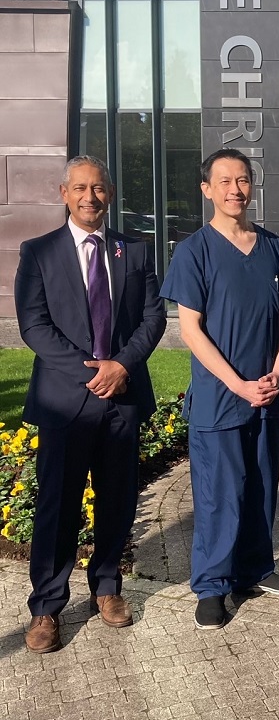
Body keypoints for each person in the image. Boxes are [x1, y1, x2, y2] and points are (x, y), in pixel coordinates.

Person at [15, 155, 166, 653]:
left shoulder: (135, 251)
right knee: (57, 507)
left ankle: (107, 587)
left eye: (98, 188)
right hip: (65, 402)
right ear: (64, 193)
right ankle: (46, 606)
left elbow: (152, 319)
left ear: (111, 192)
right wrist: (92, 370)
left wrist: (120, 366)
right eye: (79, 188)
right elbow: (34, 325)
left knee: (118, 500)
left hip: (121, 399)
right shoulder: (38, 252)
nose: (89, 197)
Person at [160, 148, 279, 630]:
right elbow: (191, 330)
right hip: (222, 398)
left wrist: (277, 372)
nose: (235, 190)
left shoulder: (273, 248)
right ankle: (213, 585)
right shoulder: (195, 250)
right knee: (220, 493)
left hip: (265, 394)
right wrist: (238, 384)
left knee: (261, 485)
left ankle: (255, 570)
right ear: (207, 190)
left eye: (242, 180)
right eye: (224, 182)